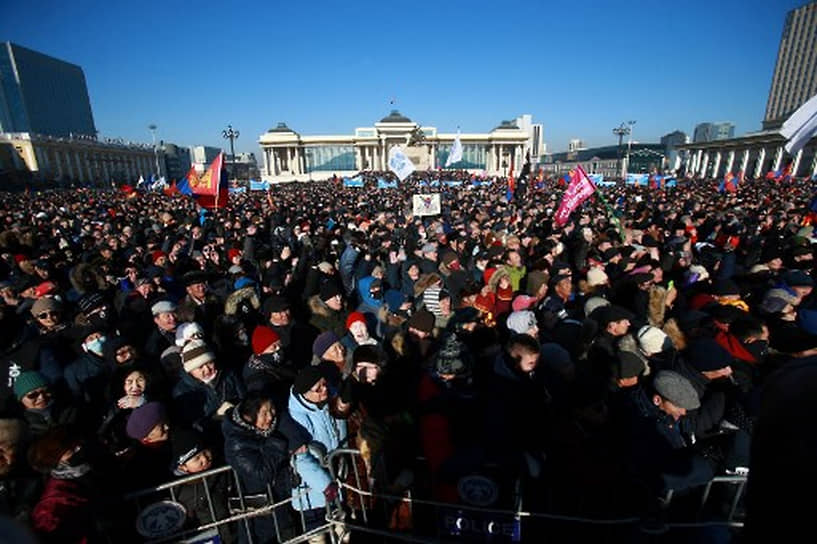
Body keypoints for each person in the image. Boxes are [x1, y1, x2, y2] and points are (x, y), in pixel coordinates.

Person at [223, 392, 309, 543]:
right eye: (264, 413)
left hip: (282, 500)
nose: (270, 417)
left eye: (271, 411)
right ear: (249, 416)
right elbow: (261, 473)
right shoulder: (236, 443)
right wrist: (277, 445)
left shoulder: (270, 429)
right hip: (260, 510)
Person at [288, 367, 347, 541]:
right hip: (311, 493)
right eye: (318, 388)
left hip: (337, 483)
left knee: (343, 535)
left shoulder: (331, 402)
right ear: (305, 393)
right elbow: (299, 458)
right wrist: (325, 484)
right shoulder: (296, 417)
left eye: (324, 384)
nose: (324, 389)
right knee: (318, 538)